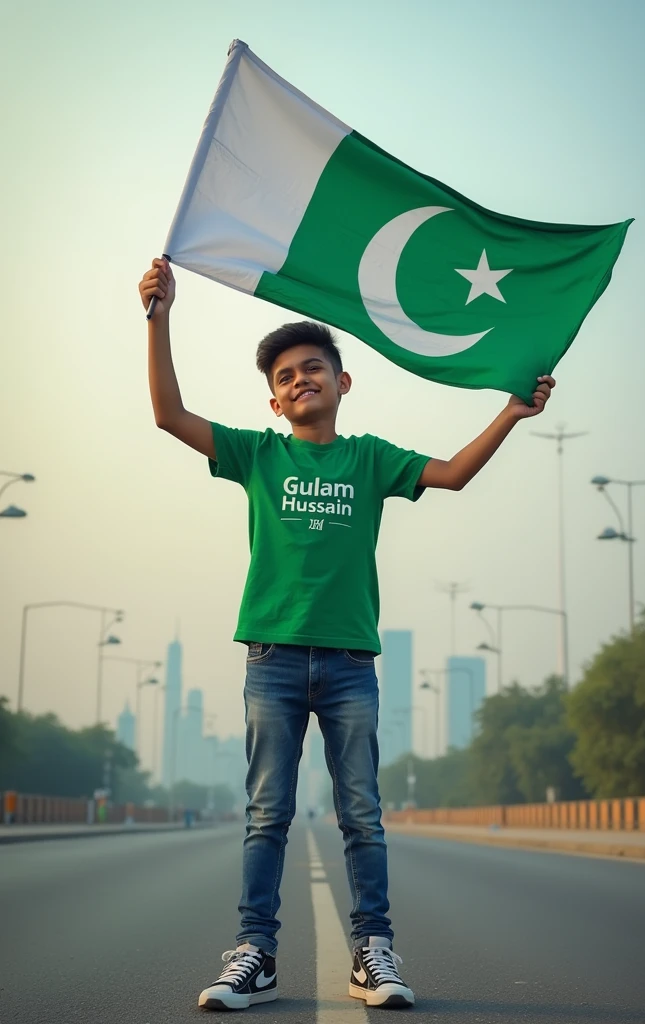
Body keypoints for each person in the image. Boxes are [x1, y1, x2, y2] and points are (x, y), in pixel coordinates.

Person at [139, 257, 555, 1011]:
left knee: (360, 811)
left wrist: (511, 413)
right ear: (273, 400)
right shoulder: (259, 454)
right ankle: (255, 956)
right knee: (267, 812)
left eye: (314, 369)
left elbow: (455, 473)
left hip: (350, 666)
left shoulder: (370, 458)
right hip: (270, 659)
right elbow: (169, 415)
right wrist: (159, 314)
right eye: (288, 376)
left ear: (342, 382)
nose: (302, 381)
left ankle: (373, 953)